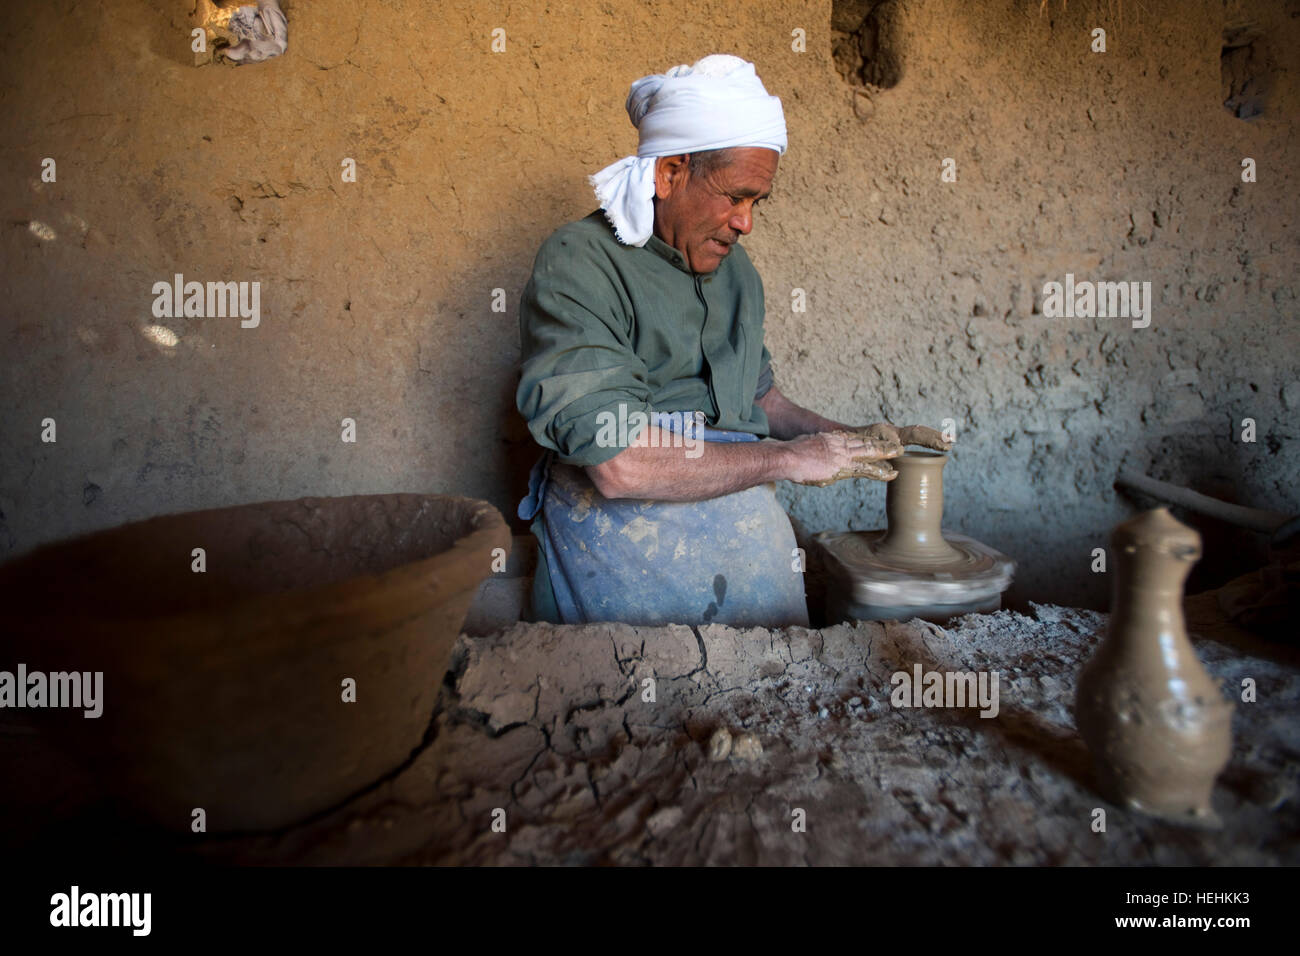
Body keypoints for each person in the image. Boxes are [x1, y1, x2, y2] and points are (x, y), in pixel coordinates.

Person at [516, 54, 949, 627]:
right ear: (670, 174)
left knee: (778, 670)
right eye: (734, 196)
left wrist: (848, 439)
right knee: (661, 675)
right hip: (627, 523)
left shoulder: (735, 271)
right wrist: (789, 458)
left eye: (755, 202)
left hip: (738, 509)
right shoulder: (581, 261)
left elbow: (760, 398)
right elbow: (619, 465)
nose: (746, 223)